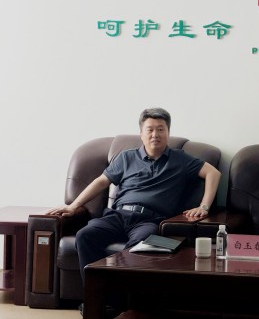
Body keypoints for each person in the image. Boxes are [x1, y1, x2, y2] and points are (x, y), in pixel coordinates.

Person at [47, 107, 221, 315]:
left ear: (168, 132)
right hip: (117, 216)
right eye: (150, 129)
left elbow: (213, 173)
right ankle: (96, 299)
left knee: (141, 244)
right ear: (141, 133)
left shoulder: (180, 159)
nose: (155, 134)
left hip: (149, 219)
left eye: (161, 129)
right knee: (85, 235)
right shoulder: (126, 157)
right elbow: (101, 182)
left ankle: (122, 304)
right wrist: (73, 206)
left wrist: (204, 206)